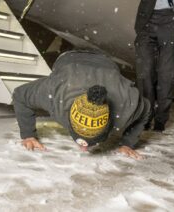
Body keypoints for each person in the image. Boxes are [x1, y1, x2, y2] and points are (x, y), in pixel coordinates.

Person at [13, 50, 151, 159]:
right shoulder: (54, 93)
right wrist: (28, 135)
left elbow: (147, 108)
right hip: (69, 61)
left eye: (94, 140)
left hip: (106, 63)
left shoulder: (127, 102)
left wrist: (128, 143)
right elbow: (19, 95)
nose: (84, 149)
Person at [134, 0, 174, 132]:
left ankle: (161, 118)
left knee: (167, 73)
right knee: (144, 71)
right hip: (147, 17)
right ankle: (145, 116)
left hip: (171, 18)